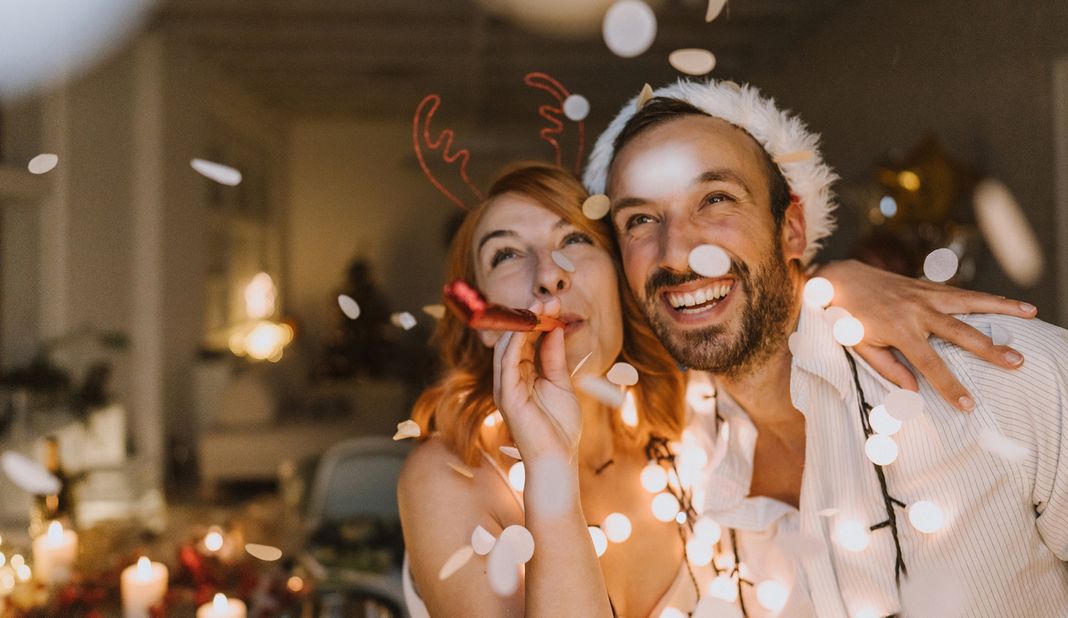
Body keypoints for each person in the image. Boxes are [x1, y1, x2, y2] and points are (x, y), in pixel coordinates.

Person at [398, 159, 1037, 616]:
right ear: (481, 323)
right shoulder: (447, 478)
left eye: (574, 241)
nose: (549, 278)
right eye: (507, 255)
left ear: (623, 285)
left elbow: (767, 325)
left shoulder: (687, 428)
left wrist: (836, 283)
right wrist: (547, 466)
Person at [585, 80, 1068, 615]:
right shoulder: (669, 467)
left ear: (792, 227)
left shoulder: (1005, 376)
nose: (676, 252)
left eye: (715, 199)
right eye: (640, 220)